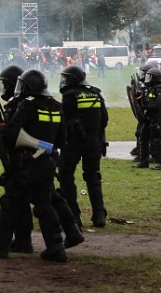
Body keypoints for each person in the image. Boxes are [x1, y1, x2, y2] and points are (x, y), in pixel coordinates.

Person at [0, 65, 83, 254]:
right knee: (44, 205)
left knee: (10, 201)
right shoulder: (56, 106)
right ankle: (56, 248)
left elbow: (13, 137)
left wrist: (4, 130)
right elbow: (61, 141)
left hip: (27, 164)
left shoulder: (26, 105)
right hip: (47, 163)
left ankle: (1, 245)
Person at [58, 65, 109, 229]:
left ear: (72, 79)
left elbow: (63, 121)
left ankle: (74, 216)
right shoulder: (96, 93)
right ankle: (99, 214)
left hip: (73, 142)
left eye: (65, 78)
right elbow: (104, 120)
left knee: (66, 177)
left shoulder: (70, 96)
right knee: (93, 177)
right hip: (94, 142)